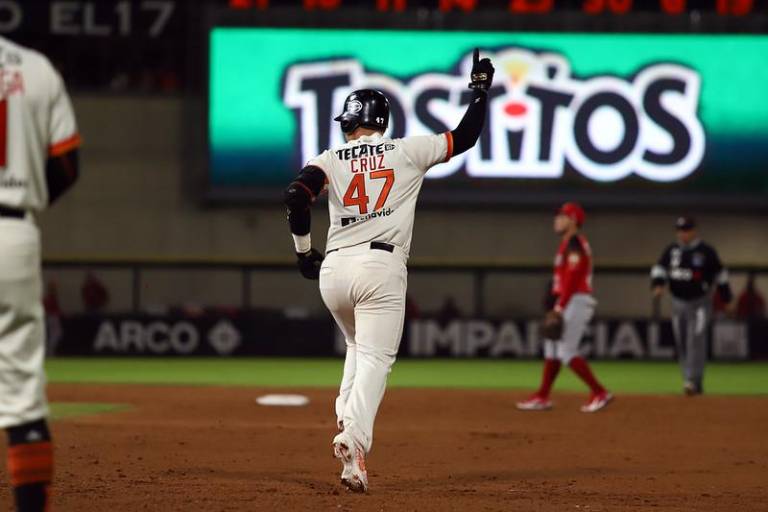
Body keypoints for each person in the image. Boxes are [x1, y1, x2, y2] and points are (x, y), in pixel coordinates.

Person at [284, 49, 494, 492]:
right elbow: (465, 136)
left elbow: (296, 196)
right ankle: (354, 439)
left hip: (334, 269)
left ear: (349, 121)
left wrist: (304, 254)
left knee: (356, 346)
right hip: (380, 265)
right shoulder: (407, 150)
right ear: (382, 121)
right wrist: (479, 92)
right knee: (377, 358)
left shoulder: (330, 158)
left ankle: (346, 418)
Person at [0, 36, 81, 511]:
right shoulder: (35, 67)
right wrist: (23, 196)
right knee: (22, 396)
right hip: (12, 230)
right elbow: (67, 165)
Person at [517, 203, 613, 413]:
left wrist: (560, 305)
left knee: (567, 352)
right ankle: (542, 396)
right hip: (568, 299)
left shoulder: (575, 242)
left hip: (575, 299)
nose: (557, 220)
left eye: (562, 217)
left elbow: (574, 276)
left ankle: (600, 392)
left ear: (573, 220)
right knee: (551, 348)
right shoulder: (568, 243)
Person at [651, 216, 732, 395]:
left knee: (695, 339)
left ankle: (693, 380)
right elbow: (659, 268)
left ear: (694, 230)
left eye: (686, 230)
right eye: (680, 230)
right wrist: (658, 284)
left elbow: (721, 274)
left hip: (700, 303)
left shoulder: (706, 251)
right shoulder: (672, 250)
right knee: (681, 341)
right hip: (677, 302)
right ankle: (690, 380)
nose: (683, 234)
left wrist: (726, 298)